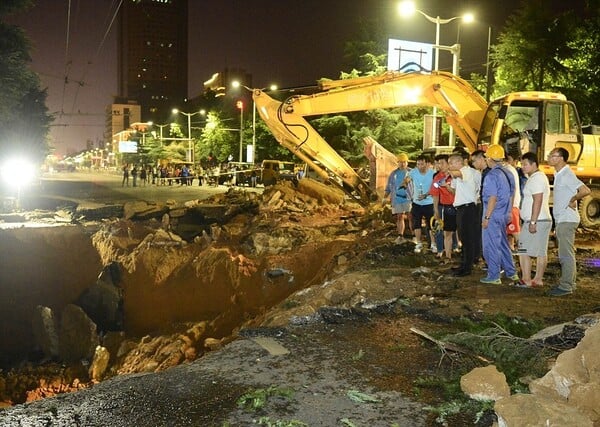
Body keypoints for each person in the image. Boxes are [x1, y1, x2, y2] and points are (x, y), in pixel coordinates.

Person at [547, 147, 591, 296]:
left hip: (567, 220)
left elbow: (585, 190)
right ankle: (570, 282)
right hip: (563, 219)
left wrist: (573, 199)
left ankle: (566, 286)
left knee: (565, 254)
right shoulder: (559, 173)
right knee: (567, 252)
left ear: (560, 158)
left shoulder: (566, 174)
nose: (549, 157)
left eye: (552, 155)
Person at [479, 144, 518, 284]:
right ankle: (511, 272)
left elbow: (492, 198)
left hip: (493, 215)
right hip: (504, 213)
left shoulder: (492, 175)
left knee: (491, 245)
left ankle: (494, 276)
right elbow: (512, 194)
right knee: (502, 244)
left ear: (489, 159)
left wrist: (487, 217)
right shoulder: (508, 173)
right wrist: (508, 212)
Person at [516, 152, 552, 288]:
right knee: (540, 251)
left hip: (537, 220)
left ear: (534, 164)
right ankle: (537, 280)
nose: (523, 167)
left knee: (523, 250)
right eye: (522, 164)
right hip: (542, 219)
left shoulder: (536, 179)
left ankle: (526, 279)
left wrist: (532, 221)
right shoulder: (539, 177)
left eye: (525, 164)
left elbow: (538, 200)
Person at [447, 153, 481, 277]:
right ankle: (464, 264)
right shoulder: (460, 173)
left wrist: (449, 171)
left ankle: (467, 267)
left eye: (451, 163)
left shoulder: (466, 171)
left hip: (468, 208)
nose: (450, 166)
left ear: (459, 162)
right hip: (461, 208)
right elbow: (455, 190)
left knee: (468, 239)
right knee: (463, 239)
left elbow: (457, 174)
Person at [406, 154, 435, 253]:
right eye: (418, 164)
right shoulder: (413, 172)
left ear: (427, 164)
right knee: (416, 223)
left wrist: (426, 194)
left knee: (431, 224)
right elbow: (407, 179)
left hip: (429, 202)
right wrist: (405, 182)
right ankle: (418, 243)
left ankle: (433, 244)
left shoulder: (433, 173)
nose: (420, 166)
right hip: (416, 202)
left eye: (422, 164)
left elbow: (435, 188)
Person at [430, 154, 456, 263]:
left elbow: (459, 192)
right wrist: (435, 209)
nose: (440, 165)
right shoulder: (437, 177)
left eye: (442, 163)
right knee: (446, 232)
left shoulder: (456, 175)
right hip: (446, 207)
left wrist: (447, 186)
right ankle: (447, 256)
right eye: (439, 163)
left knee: (459, 231)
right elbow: (435, 194)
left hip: (460, 206)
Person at [383, 153, 411, 244]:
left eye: (404, 162)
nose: (402, 164)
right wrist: (385, 197)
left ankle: (414, 236)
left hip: (409, 198)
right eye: (400, 162)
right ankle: (400, 236)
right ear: (397, 163)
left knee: (411, 216)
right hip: (397, 199)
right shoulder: (393, 174)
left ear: (407, 162)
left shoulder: (412, 173)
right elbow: (388, 187)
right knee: (399, 217)